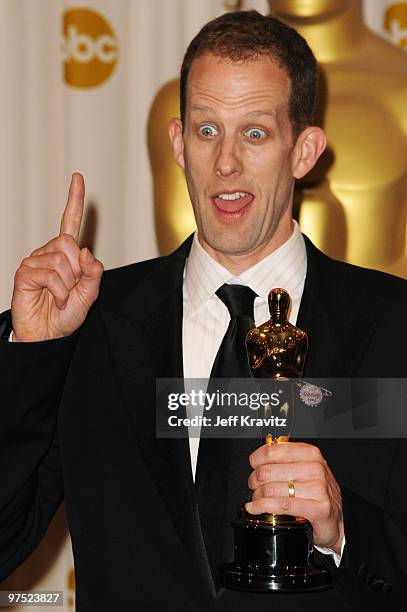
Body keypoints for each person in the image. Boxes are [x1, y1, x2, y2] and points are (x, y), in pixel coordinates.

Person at [0, 10, 406, 611]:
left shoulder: (395, 326)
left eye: (256, 133)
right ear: (177, 142)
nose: (226, 165)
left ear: (305, 150)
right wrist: (31, 356)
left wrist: (345, 532)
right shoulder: (92, 326)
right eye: (207, 130)